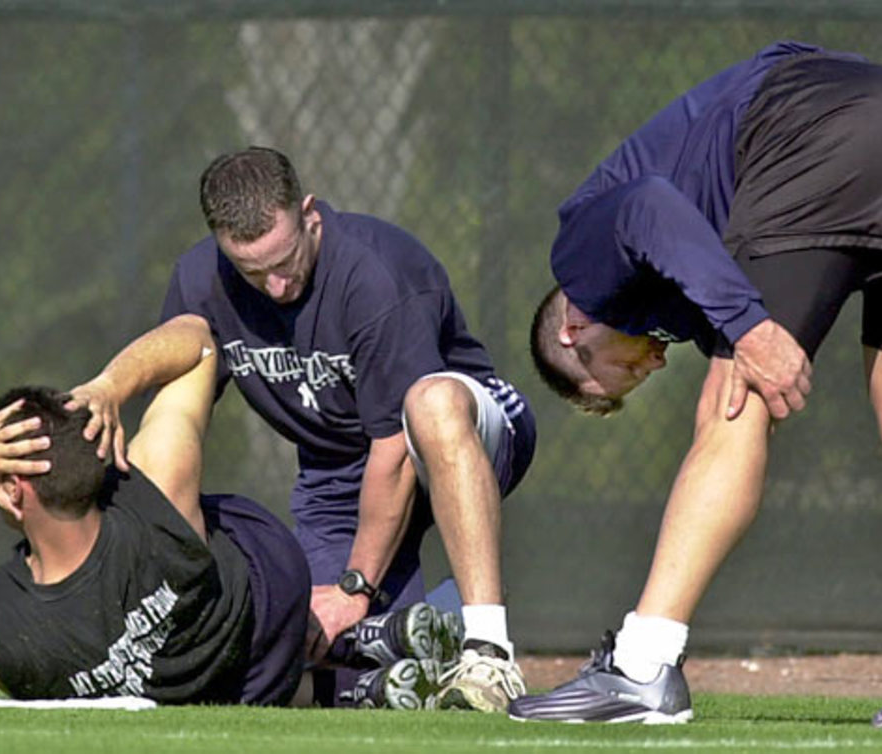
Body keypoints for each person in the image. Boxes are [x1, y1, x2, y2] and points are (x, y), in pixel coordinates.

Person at [518, 41, 882, 729]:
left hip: (819, 136)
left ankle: (643, 667)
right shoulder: (672, 290)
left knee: (730, 408)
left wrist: (748, 326)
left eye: (617, 375)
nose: (648, 368)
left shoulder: (579, 257)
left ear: (573, 332)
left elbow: (652, 206)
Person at [72, 146, 537, 712]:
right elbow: (180, 375)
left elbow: (393, 449)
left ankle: (487, 649)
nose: (274, 286)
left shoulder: (373, 273)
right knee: (306, 647)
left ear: (310, 215)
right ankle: (438, 626)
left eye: (284, 260)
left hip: (462, 433)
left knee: (432, 405)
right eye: (251, 271)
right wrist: (107, 389)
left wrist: (355, 587)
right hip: (338, 470)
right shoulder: (201, 279)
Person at [0, 318, 463, 709]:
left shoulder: (1, 632)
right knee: (224, 559)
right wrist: (111, 386)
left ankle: (349, 676)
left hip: (224, 686)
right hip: (263, 610)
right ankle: (358, 649)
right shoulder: (153, 486)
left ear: (13, 491)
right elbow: (198, 341)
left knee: (206, 691)